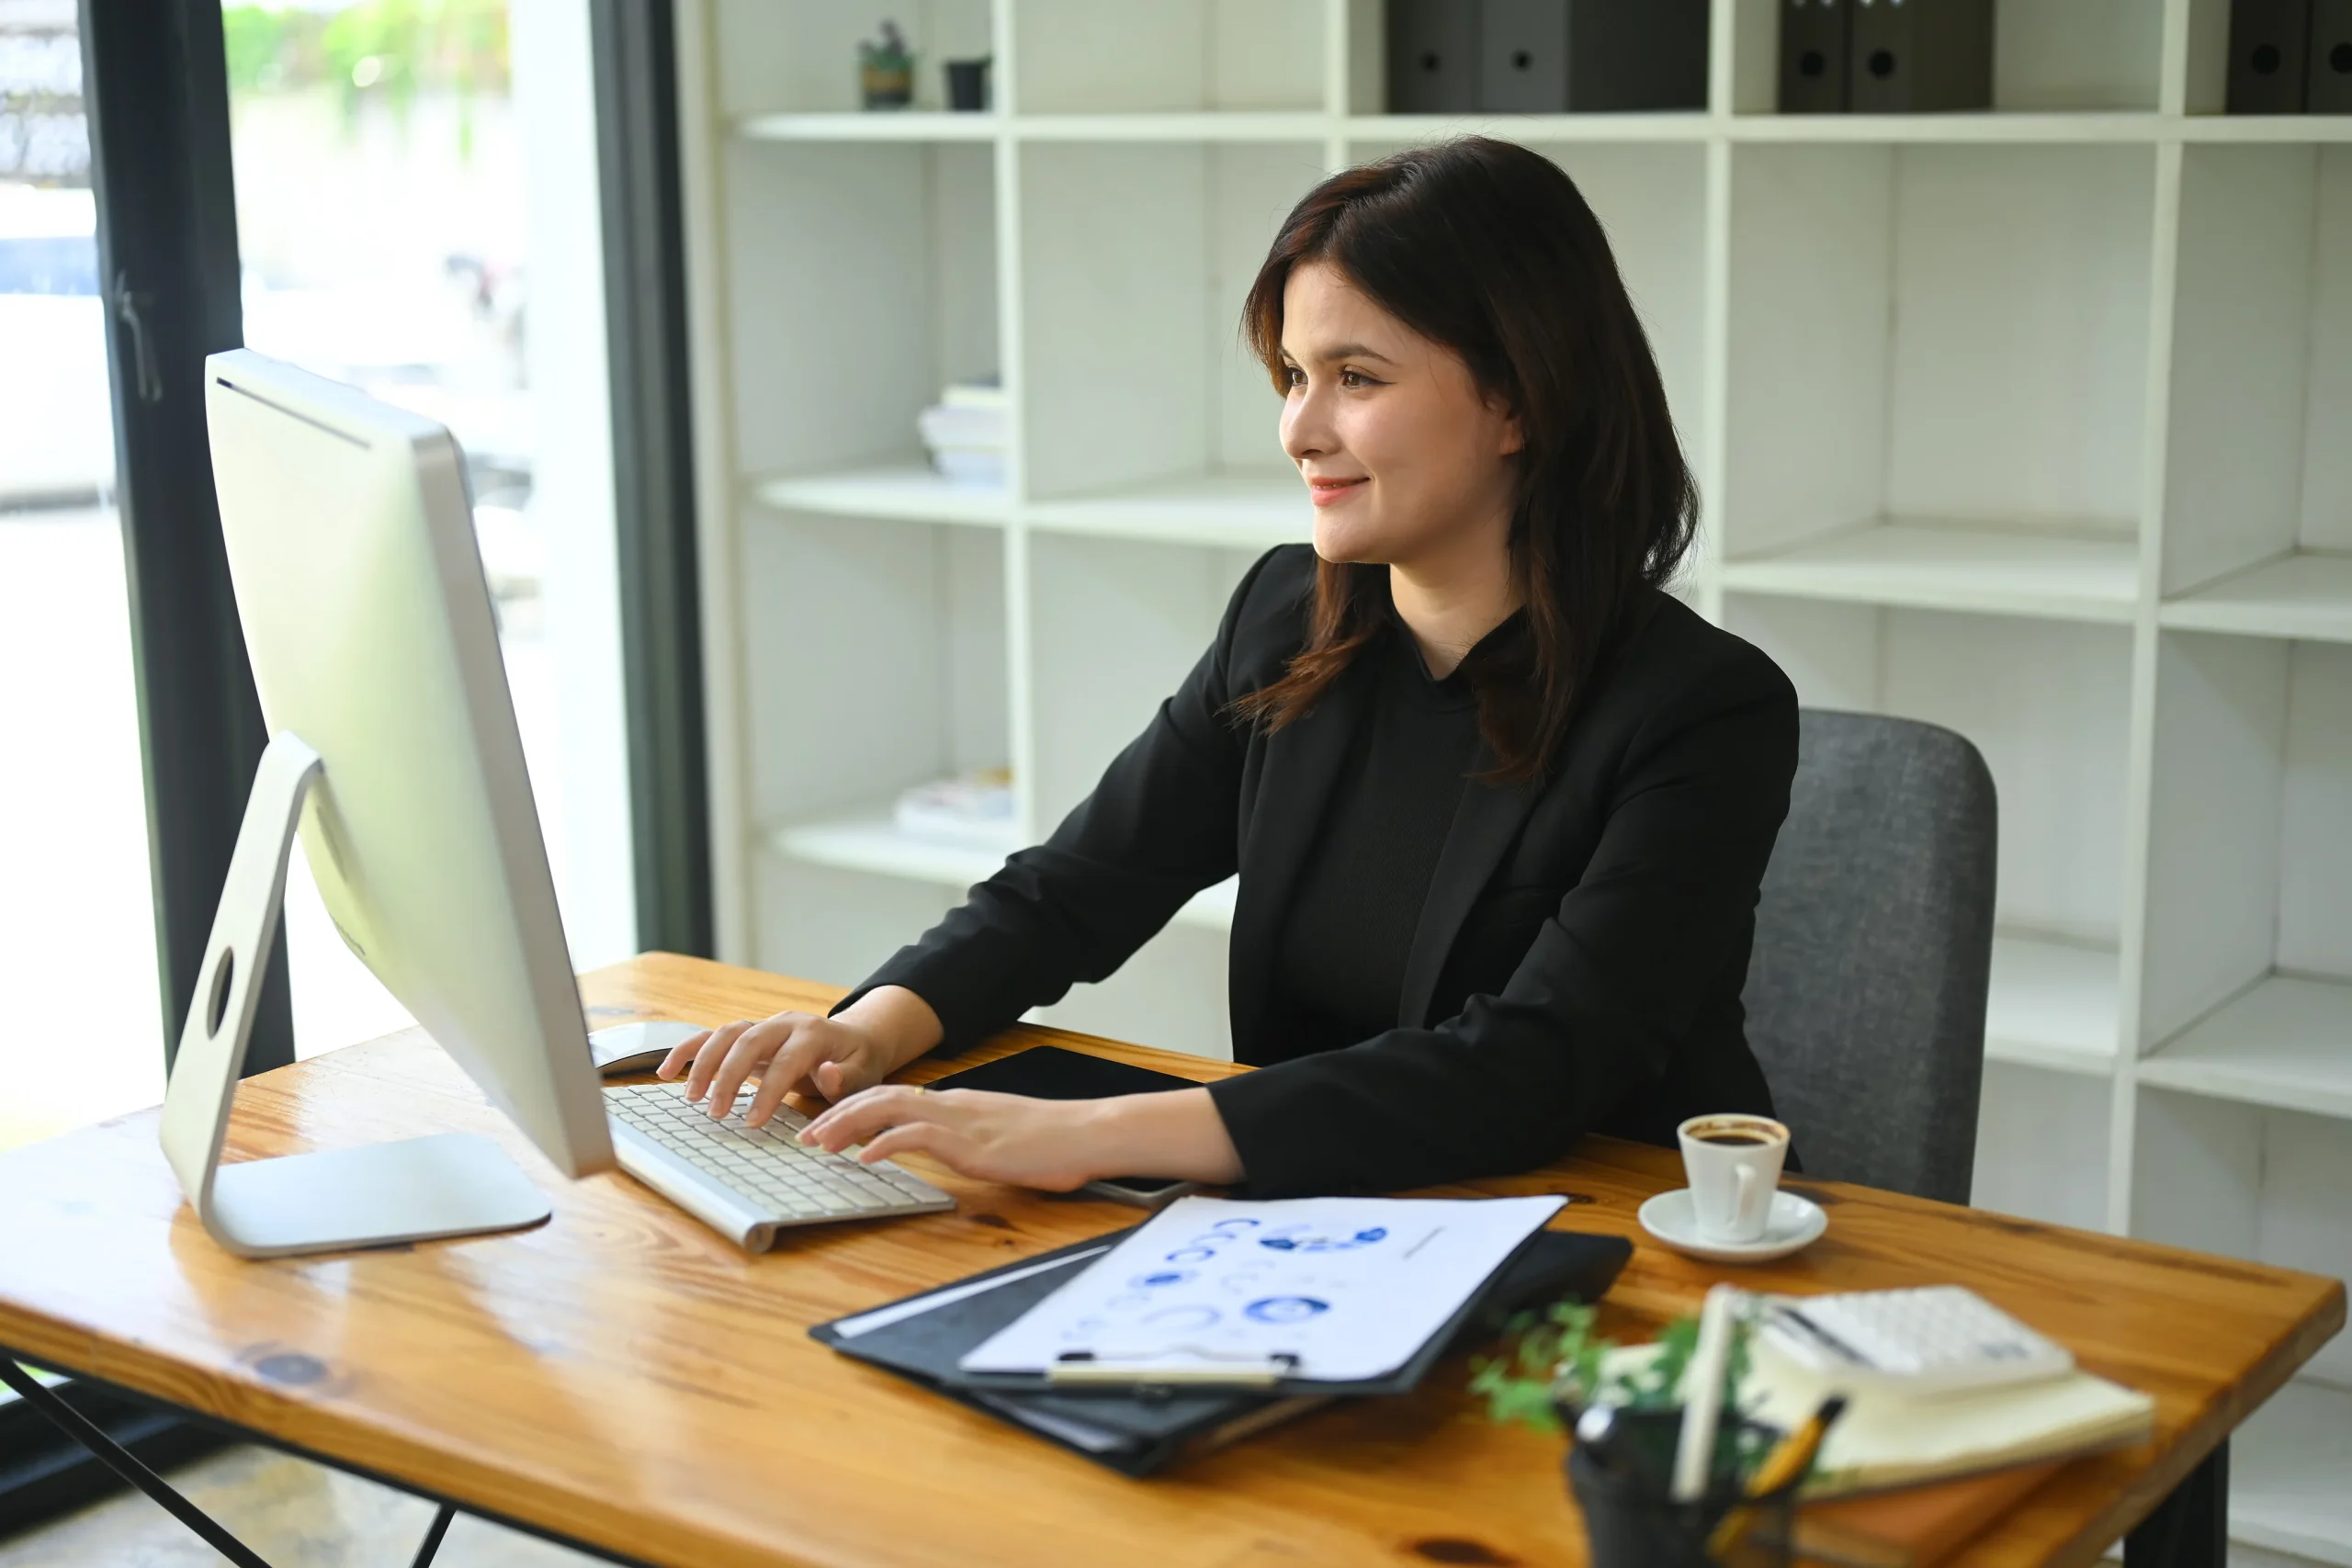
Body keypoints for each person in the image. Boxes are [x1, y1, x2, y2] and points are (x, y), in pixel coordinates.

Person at [659, 137, 1799, 1198]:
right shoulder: (1287, 617)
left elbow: (1534, 1067)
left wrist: (1084, 1138)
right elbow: (1076, 887)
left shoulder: (1703, 710)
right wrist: (870, 1028)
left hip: (1608, 1230)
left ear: (1516, 398)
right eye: (1292, 376)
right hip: (1317, 1215)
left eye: (1355, 376)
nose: (1300, 430)